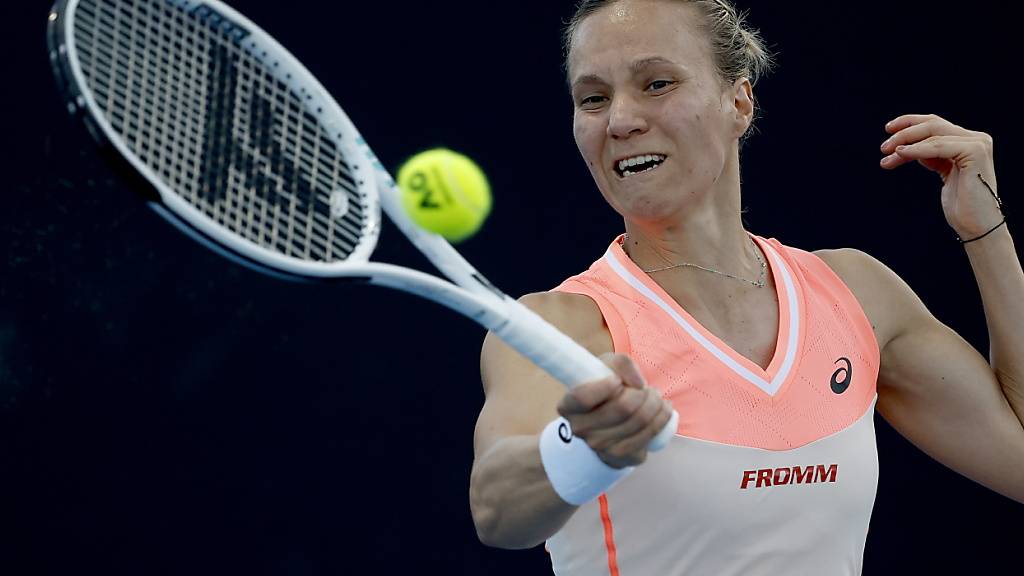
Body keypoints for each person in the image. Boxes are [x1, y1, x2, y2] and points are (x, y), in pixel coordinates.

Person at [468, 0, 1023, 574]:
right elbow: (496, 511)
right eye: (593, 98)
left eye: (656, 84)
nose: (620, 119)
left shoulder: (856, 294)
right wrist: (577, 449)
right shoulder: (560, 328)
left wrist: (986, 230)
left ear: (738, 102)